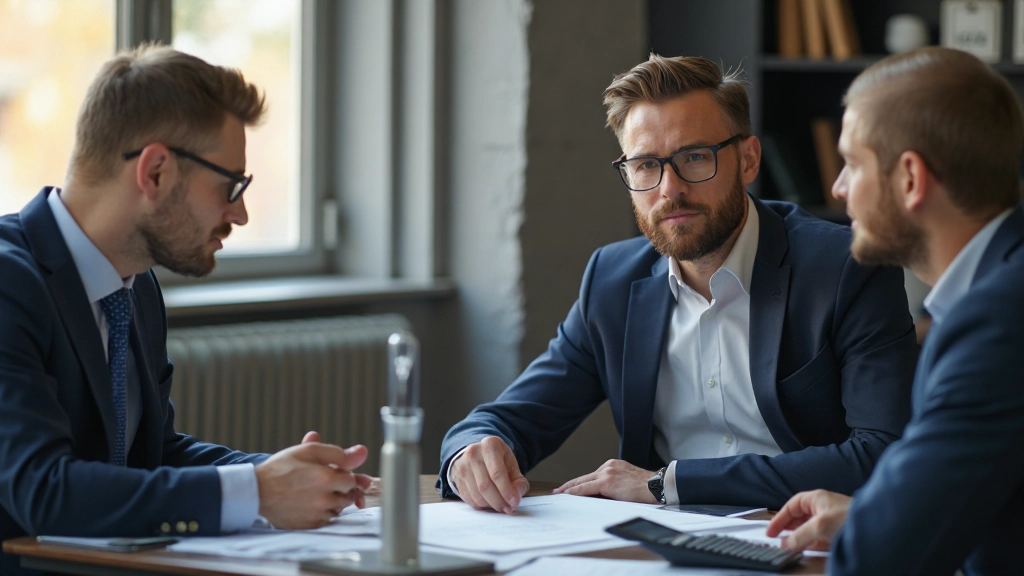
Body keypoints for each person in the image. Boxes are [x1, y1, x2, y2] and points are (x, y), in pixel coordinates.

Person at [438, 54, 919, 515]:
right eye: (646, 165)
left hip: (798, 537)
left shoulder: (846, 268)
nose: (669, 189)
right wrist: (469, 455)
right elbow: (506, 419)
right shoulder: (611, 281)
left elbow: (882, 451)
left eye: (694, 157)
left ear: (748, 161)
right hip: (661, 545)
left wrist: (669, 483)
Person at [0, 45, 371, 575]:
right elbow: (44, 491)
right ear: (154, 172)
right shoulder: (9, 282)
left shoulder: (137, 287)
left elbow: (151, 457)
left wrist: (275, 472)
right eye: (231, 186)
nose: (240, 214)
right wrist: (257, 492)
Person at [765, 47, 1024, 575]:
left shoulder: (997, 321)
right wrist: (872, 512)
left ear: (910, 178)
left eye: (853, 163)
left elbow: (877, 560)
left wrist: (876, 527)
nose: (837, 189)